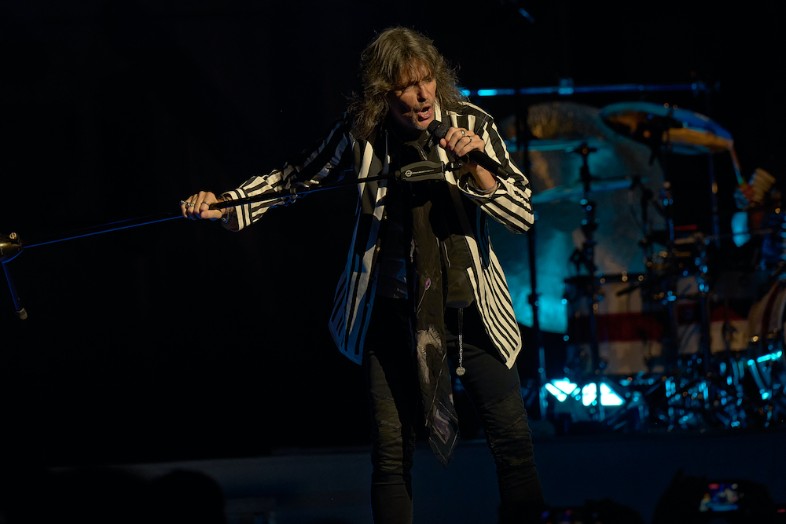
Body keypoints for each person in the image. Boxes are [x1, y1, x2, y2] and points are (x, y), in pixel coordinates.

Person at [179, 26, 545, 523]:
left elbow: (522, 216)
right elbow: (293, 179)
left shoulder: (472, 123)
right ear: (383, 93)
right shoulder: (361, 132)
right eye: (407, 88)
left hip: (473, 313)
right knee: (390, 457)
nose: (422, 97)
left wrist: (476, 166)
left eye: (427, 82)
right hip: (389, 313)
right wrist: (227, 203)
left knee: (515, 446)